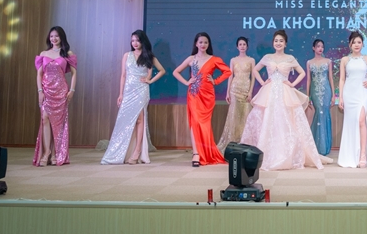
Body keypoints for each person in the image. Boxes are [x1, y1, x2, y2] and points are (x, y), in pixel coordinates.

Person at [240, 30, 332, 170]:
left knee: (287, 121)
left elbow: (302, 73)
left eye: (281, 41)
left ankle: (287, 154)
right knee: (267, 120)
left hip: (285, 92)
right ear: (273, 43)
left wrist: (292, 84)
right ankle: (267, 154)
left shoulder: (290, 58)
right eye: (276, 41)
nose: (278, 43)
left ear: (285, 44)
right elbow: (255, 70)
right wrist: (263, 82)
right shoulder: (267, 57)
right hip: (269, 92)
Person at [101, 30, 165, 165]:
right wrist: (120, 94)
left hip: (141, 90)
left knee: (140, 120)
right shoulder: (127, 55)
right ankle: (121, 152)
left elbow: (162, 70)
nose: (135, 43)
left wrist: (150, 80)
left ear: (143, 41)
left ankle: (137, 152)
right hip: (128, 91)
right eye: (133, 40)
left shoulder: (148, 56)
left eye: (137, 40)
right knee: (124, 120)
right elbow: (123, 75)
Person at [173, 32, 231, 166]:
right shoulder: (191, 59)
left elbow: (228, 72)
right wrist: (187, 82)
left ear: (208, 44)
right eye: (200, 42)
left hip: (208, 95)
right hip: (194, 94)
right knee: (195, 122)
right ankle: (196, 153)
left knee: (204, 124)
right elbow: (176, 72)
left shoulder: (214, 59)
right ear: (196, 44)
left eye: (205, 42)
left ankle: (206, 152)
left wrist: (215, 81)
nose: (203, 44)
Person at [34, 26, 77, 167]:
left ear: (61, 37)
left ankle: (56, 154)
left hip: (61, 91)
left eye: (56, 36)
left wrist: (72, 90)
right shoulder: (44, 53)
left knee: (58, 123)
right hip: (46, 90)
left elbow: (74, 73)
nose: (54, 38)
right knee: (45, 118)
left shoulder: (68, 53)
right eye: (51, 36)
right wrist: (40, 91)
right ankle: (46, 152)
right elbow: (39, 74)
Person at [337, 31, 367, 168]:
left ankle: (363, 155)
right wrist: (340, 97)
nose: (356, 45)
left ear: (362, 44)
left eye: (359, 42)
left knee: (362, 120)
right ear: (350, 44)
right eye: (354, 42)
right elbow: (342, 79)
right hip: (349, 93)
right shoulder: (345, 60)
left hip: (362, 93)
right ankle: (351, 154)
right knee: (351, 123)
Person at [217, 37, 256, 153]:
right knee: (234, 116)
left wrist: (250, 92)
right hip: (234, 90)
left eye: (244, 44)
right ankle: (233, 143)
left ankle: (246, 142)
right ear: (237, 47)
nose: (242, 46)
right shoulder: (233, 60)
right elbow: (230, 76)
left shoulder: (251, 60)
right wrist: (227, 92)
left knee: (246, 116)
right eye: (240, 44)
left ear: (247, 46)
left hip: (246, 90)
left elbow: (253, 77)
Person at [306, 39, 334, 156]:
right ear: (313, 48)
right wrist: (307, 96)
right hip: (315, 91)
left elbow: (330, 78)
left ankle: (324, 146)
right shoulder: (309, 62)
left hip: (326, 91)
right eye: (318, 46)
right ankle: (317, 146)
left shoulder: (328, 61)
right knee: (318, 113)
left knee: (324, 113)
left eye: (322, 46)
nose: (320, 48)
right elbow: (309, 80)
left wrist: (333, 95)